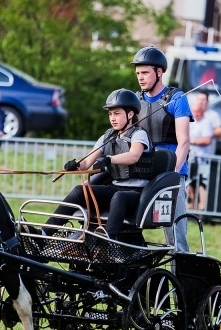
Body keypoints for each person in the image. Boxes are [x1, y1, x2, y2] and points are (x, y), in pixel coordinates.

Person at [44, 89, 151, 241]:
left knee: (119, 197)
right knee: (79, 191)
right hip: (115, 188)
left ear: (130, 114)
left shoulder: (139, 134)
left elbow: (134, 156)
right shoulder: (107, 136)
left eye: (117, 113)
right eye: (110, 114)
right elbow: (87, 162)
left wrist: (109, 159)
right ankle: (43, 234)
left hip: (137, 193)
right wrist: (75, 165)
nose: (112, 118)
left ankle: (106, 239)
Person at [131, 46, 191, 252]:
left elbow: (184, 142)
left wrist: (173, 175)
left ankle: (183, 276)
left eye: (145, 72)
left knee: (176, 235)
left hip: (171, 171)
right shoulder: (135, 101)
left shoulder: (177, 98)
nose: (140, 77)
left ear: (159, 72)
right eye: (138, 73)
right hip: (142, 170)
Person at [186, 93, 218, 210]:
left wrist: (192, 141)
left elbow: (207, 139)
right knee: (190, 182)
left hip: (202, 158)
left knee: (201, 183)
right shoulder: (190, 121)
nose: (196, 114)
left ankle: (203, 206)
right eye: (194, 112)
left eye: (198, 112)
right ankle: (191, 205)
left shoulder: (206, 122)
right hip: (191, 157)